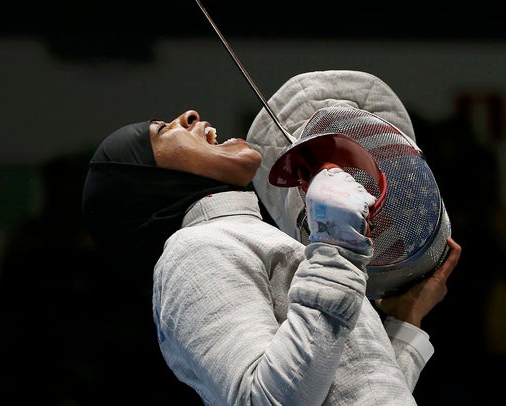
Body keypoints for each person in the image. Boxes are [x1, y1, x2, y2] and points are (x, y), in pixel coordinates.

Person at [82, 70, 461, 405]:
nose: (189, 116)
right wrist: (336, 246)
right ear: (147, 186)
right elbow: (264, 400)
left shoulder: (255, 239)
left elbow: (357, 394)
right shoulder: (193, 251)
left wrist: (405, 323)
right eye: (162, 131)